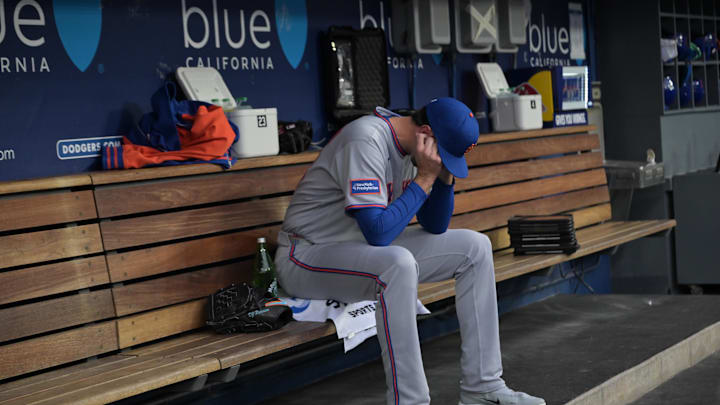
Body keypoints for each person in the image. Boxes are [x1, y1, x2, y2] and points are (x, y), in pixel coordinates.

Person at [274, 98, 545, 405]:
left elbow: (435, 224)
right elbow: (378, 233)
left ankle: (482, 387)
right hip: (306, 256)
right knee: (398, 264)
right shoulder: (366, 139)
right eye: (442, 154)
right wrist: (426, 177)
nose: (440, 161)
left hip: (357, 250)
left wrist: (442, 179)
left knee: (475, 248)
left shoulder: (416, 150)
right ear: (425, 132)